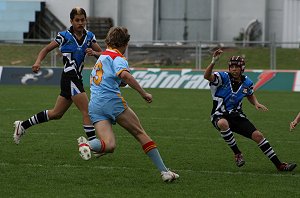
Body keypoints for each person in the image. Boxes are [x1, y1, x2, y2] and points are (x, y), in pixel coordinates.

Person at [77, 26, 179, 182]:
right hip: (111, 102)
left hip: (95, 105)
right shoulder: (118, 58)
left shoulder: (102, 57)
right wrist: (143, 93)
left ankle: (88, 145)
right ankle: (165, 172)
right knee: (140, 133)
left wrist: (120, 82)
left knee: (109, 145)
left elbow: (114, 79)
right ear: (124, 43)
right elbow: (125, 75)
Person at [13, 7, 102, 151]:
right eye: (77, 20)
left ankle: (22, 125)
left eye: (83, 20)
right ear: (71, 21)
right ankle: (94, 146)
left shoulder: (90, 37)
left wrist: (95, 52)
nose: (80, 23)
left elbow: (102, 54)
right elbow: (46, 49)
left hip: (76, 78)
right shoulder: (64, 36)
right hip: (69, 77)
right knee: (87, 111)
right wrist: (37, 61)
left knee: (56, 114)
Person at [203, 48, 297, 171]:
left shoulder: (247, 82)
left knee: (258, 136)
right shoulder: (223, 77)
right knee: (222, 123)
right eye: (231, 67)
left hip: (236, 115)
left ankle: (280, 165)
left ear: (242, 68)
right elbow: (206, 76)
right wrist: (213, 61)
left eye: (237, 67)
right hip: (219, 114)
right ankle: (237, 153)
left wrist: (256, 103)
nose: (234, 69)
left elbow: (249, 93)